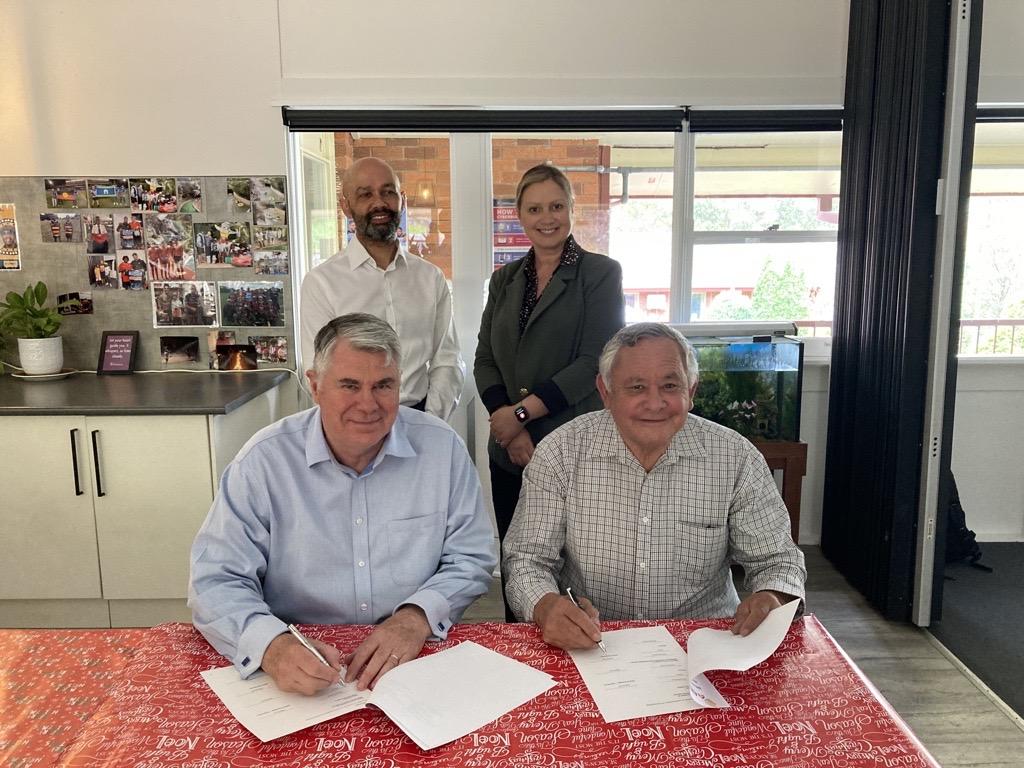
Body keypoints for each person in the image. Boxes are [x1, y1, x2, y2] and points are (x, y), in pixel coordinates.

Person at [189, 313, 496, 695]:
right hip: (299, 658)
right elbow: (215, 579)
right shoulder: (264, 461)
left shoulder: (442, 449)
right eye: (349, 385)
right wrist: (271, 645)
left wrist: (417, 616)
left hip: (415, 656)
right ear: (315, 386)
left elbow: (471, 556)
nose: (368, 405)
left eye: (383, 385)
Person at [502, 323, 806, 650]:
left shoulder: (736, 457)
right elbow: (526, 560)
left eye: (670, 385)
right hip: (594, 643)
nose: (655, 402)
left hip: (704, 646)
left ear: (691, 392)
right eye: (636, 387)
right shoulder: (560, 453)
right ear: (605, 392)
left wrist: (772, 596)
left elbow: (777, 560)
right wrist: (545, 604)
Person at [473, 163, 624, 620]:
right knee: (519, 561)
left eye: (556, 206)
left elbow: (594, 360)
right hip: (509, 453)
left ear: (571, 210)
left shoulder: (599, 273)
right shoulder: (504, 280)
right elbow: (485, 360)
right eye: (535, 208)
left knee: (576, 567)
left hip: (573, 445)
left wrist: (519, 417)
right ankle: (523, 654)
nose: (547, 217)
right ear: (519, 214)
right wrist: (510, 428)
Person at [300, 158, 464, 421]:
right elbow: (318, 371)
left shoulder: (430, 278)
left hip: (421, 417)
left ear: (402, 200)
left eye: (388, 192)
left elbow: (448, 360)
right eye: (365, 194)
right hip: (354, 422)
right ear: (346, 206)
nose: (379, 203)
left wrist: (430, 422)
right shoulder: (322, 283)